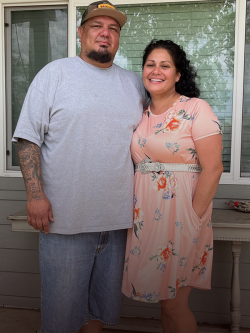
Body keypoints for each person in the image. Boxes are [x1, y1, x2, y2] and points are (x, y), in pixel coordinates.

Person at [12, 2, 147, 333]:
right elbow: (28, 139)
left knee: (97, 316)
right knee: (60, 321)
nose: (105, 33)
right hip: (65, 222)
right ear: (80, 33)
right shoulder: (55, 74)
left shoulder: (134, 84)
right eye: (97, 26)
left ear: (118, 38)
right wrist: (35, 195)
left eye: (113, 29)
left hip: (117, 223)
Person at [122, 39, 223, 333]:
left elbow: (214, 168)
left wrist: (192, 218)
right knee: (166, 301)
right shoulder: (139, 113)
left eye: (165, 65)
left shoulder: (196, 109)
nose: (156, 71)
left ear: (178, 74)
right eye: (150, 64)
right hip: (147, 219)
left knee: (176, 303)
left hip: (184, 217)